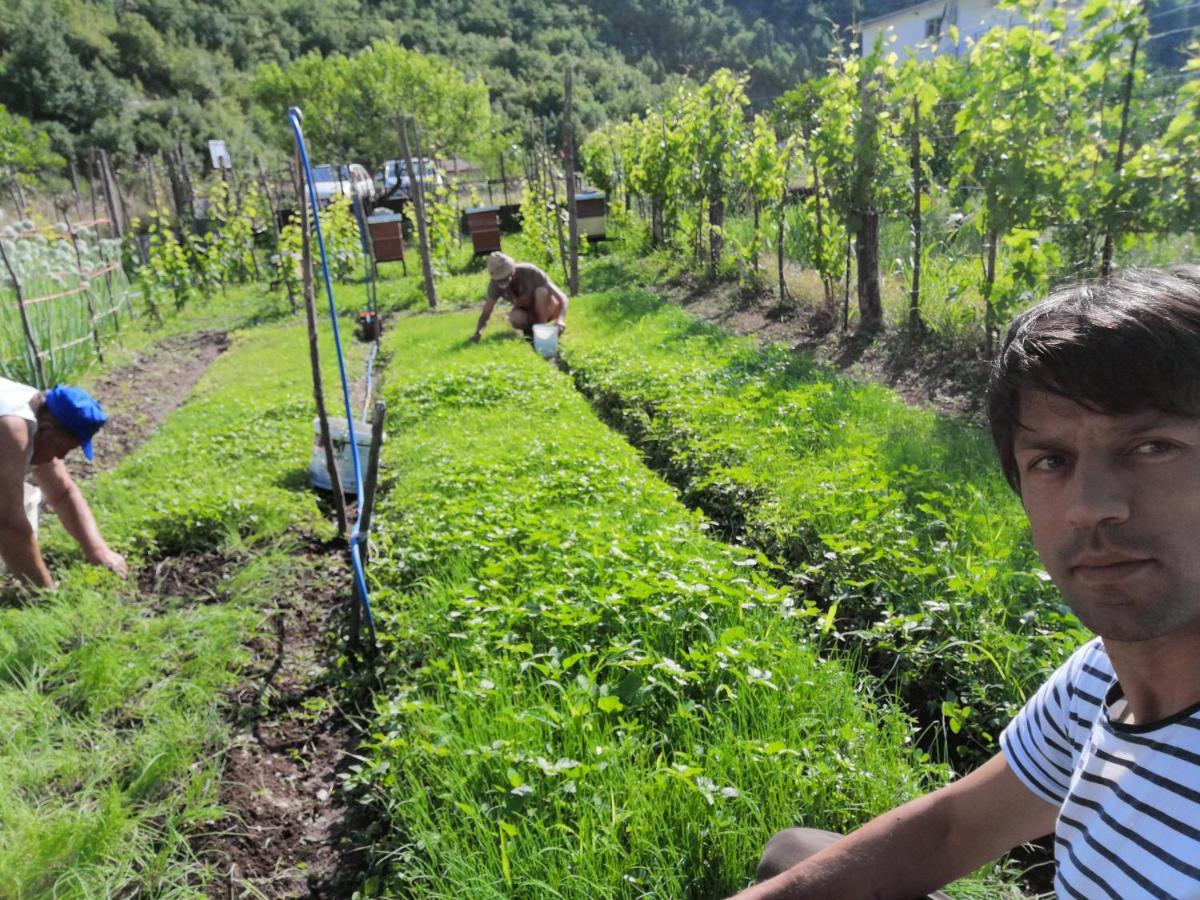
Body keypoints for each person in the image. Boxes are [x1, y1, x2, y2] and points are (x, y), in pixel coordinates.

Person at [739, 266, 1200, 899]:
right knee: (791, 854)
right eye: (1051, 461)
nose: (1089, 505)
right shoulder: (1101, 674)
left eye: (1152, 446)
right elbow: (952, 829)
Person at [0, 378, 127, 589]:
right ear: (48, 429)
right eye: (65, 448)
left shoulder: (39, 413)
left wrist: (98, 550)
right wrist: (45, 594)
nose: (61, 456)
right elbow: (7, 521)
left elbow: (63, 492)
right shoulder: (12, 427)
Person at [469, 252, 569, 343]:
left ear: (512, 270)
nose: (502, 281)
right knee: (515, 318)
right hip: (526, 312)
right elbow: (487, 310)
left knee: (541, 292)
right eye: (500, 279)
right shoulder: (494, 284)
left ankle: (541, 328)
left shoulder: (531, 272)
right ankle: (531, 331)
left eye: (505, 277)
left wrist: (560, 319)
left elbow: (562, 297)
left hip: (548, 309)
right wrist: (478, 332)